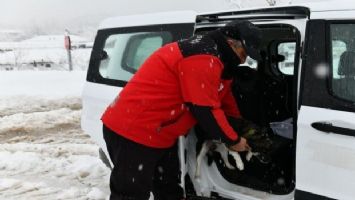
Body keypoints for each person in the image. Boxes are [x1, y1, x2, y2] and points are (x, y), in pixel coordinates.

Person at [101, 20, 262, 200]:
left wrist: (240, 126)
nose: (243, 60)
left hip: (162, 133)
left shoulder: (221, 63)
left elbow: (224, 99)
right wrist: (232, 140)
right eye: (243, 53)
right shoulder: (202, 56)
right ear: (231, 43)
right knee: (130, 194)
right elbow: (205, 109)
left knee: (169, 188)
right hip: (132, 131)